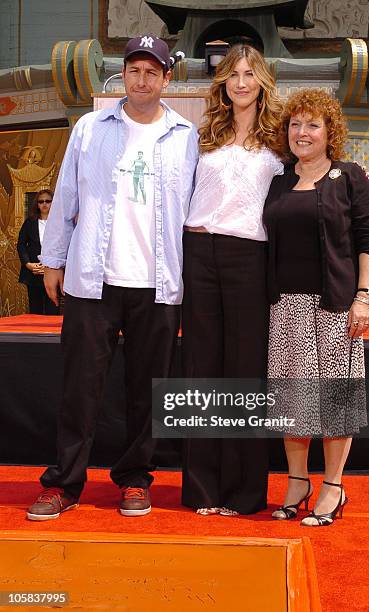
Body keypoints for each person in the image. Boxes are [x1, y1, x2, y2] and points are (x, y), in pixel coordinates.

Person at [26, 34, 198, 521]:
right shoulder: (90, 127)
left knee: (147, 389)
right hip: (91, 280)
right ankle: (64, 482)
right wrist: (53, 261)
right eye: (134, 70)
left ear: (167, 78)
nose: (142, 80)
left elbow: (192, 212)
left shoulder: (186, 137)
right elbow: (66, 198)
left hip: (158, 282)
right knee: (80, 388)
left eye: (152, 72)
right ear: (123, 73)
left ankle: (136, 478)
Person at [263, 88, 369, 526]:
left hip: (335, 307)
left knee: (334, 401)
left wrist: (363, 297)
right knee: (293, 401)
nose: (302, 132)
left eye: (312, 124)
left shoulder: (350, 177)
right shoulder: (277, 180)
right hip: (285, 307)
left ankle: (332, 485)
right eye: (295, 124)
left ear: (330, 131)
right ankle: (297, 481)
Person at [181, 44, 284, 516]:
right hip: (199, 252)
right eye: (232, 74)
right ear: (221, 82)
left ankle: (245, 494)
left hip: (250, 257)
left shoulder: (281, 140)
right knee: (202, 369)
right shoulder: (204, 135)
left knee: (245, 373)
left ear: (262, 80)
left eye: (249, 73)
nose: (241, 82)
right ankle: (202, 490)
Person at [17, 190, 59, 315]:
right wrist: (28, 264)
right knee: (35, 310)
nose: (44, 204)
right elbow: (21, 245)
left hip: (53, 271)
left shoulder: (60, 223)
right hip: (34, 272)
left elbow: (65, 246)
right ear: (37, 204)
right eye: (41, 201)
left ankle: (53, 335)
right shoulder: (30, 222)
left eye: (48, 201)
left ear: (53, 202)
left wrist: (52, 266)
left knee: (53, 308)